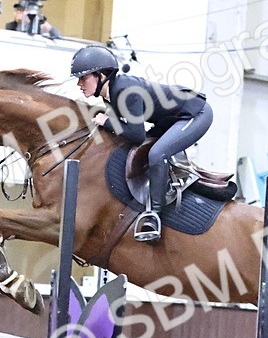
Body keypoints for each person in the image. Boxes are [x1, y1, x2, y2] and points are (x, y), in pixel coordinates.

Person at [69, 45, 212, 243]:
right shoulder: (110, 96)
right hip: (169, 120)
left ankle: (154, 215)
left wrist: (106, 122)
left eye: (83, 78)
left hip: (195, 113)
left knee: (156, 154)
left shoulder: (126, 91)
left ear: (101, 75)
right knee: (144, 152)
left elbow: (136, 134)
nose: (79, 84)